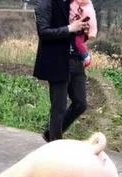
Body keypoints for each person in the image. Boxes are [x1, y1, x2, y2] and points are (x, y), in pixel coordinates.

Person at [33, 0, 89, 143]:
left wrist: (83, 29)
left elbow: (76, 35)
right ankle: (55, 144)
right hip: (57, 61)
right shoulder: (45, 3)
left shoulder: (73, 3)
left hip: (76, 60)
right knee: (58, 108)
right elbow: (43, 32)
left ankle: (49, 134)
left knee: (80, 103)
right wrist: (70, 28)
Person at [69, 0, 96, 67]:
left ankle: (86, 57)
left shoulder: (87, 7)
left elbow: (92, 20)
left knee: (78, 43)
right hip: (71, 26)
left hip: (80, 29)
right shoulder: (72, 3)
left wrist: (92, 32)